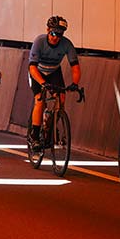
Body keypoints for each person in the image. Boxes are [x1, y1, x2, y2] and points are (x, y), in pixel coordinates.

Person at [27, 15, 82, 152]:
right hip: (37, 72)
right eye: (52, 33)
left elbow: (75, 67)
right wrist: (43, 83)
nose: (55, 37)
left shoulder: (67, 44)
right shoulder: (39, 42)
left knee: (61, 98)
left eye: (59, 34)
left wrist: (75, 83)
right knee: (40, 101)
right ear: (47, 30)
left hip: (54, 72)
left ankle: (51, 126)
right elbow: (32, 67)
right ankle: (34, 136)